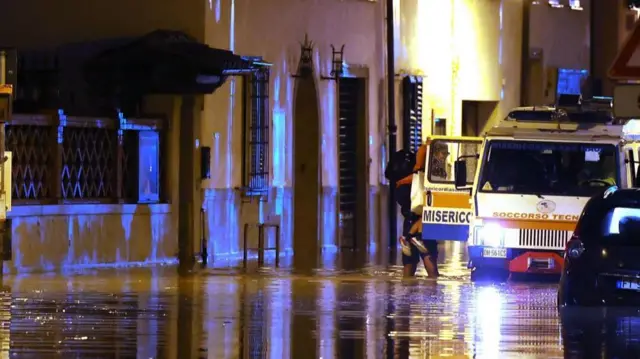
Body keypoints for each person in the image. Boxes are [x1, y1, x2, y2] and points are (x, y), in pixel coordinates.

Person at [394, 143, 444, 278]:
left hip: (409, 219)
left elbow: (416, 176)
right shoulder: (432, 171)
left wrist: (400, 182)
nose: (445, 156)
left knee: (409, 265)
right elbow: (418, 175)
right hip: (423, 220)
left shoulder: (421, 172)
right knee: (430, 263)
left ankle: (409, 237)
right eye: (444, 154)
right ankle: (412, 237)